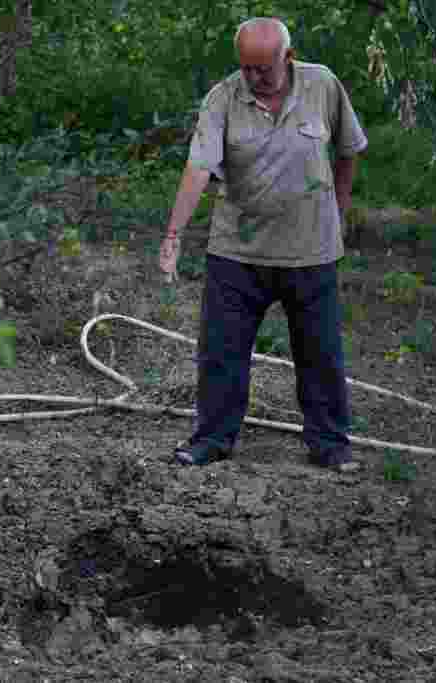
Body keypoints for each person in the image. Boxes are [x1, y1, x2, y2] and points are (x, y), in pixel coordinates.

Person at [158, 17, 368, 470]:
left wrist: (339, 212)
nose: (252, 78)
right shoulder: (223, 98)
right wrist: (173, 232)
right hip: (238, 253)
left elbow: (349, 149)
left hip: (311, 251)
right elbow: (198, 168)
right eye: (245, 68)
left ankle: (330, 444)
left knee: (321, 354)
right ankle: (212, 438)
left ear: (287, 58)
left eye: (262, 69)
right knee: (221, 353)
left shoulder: (323, 86)